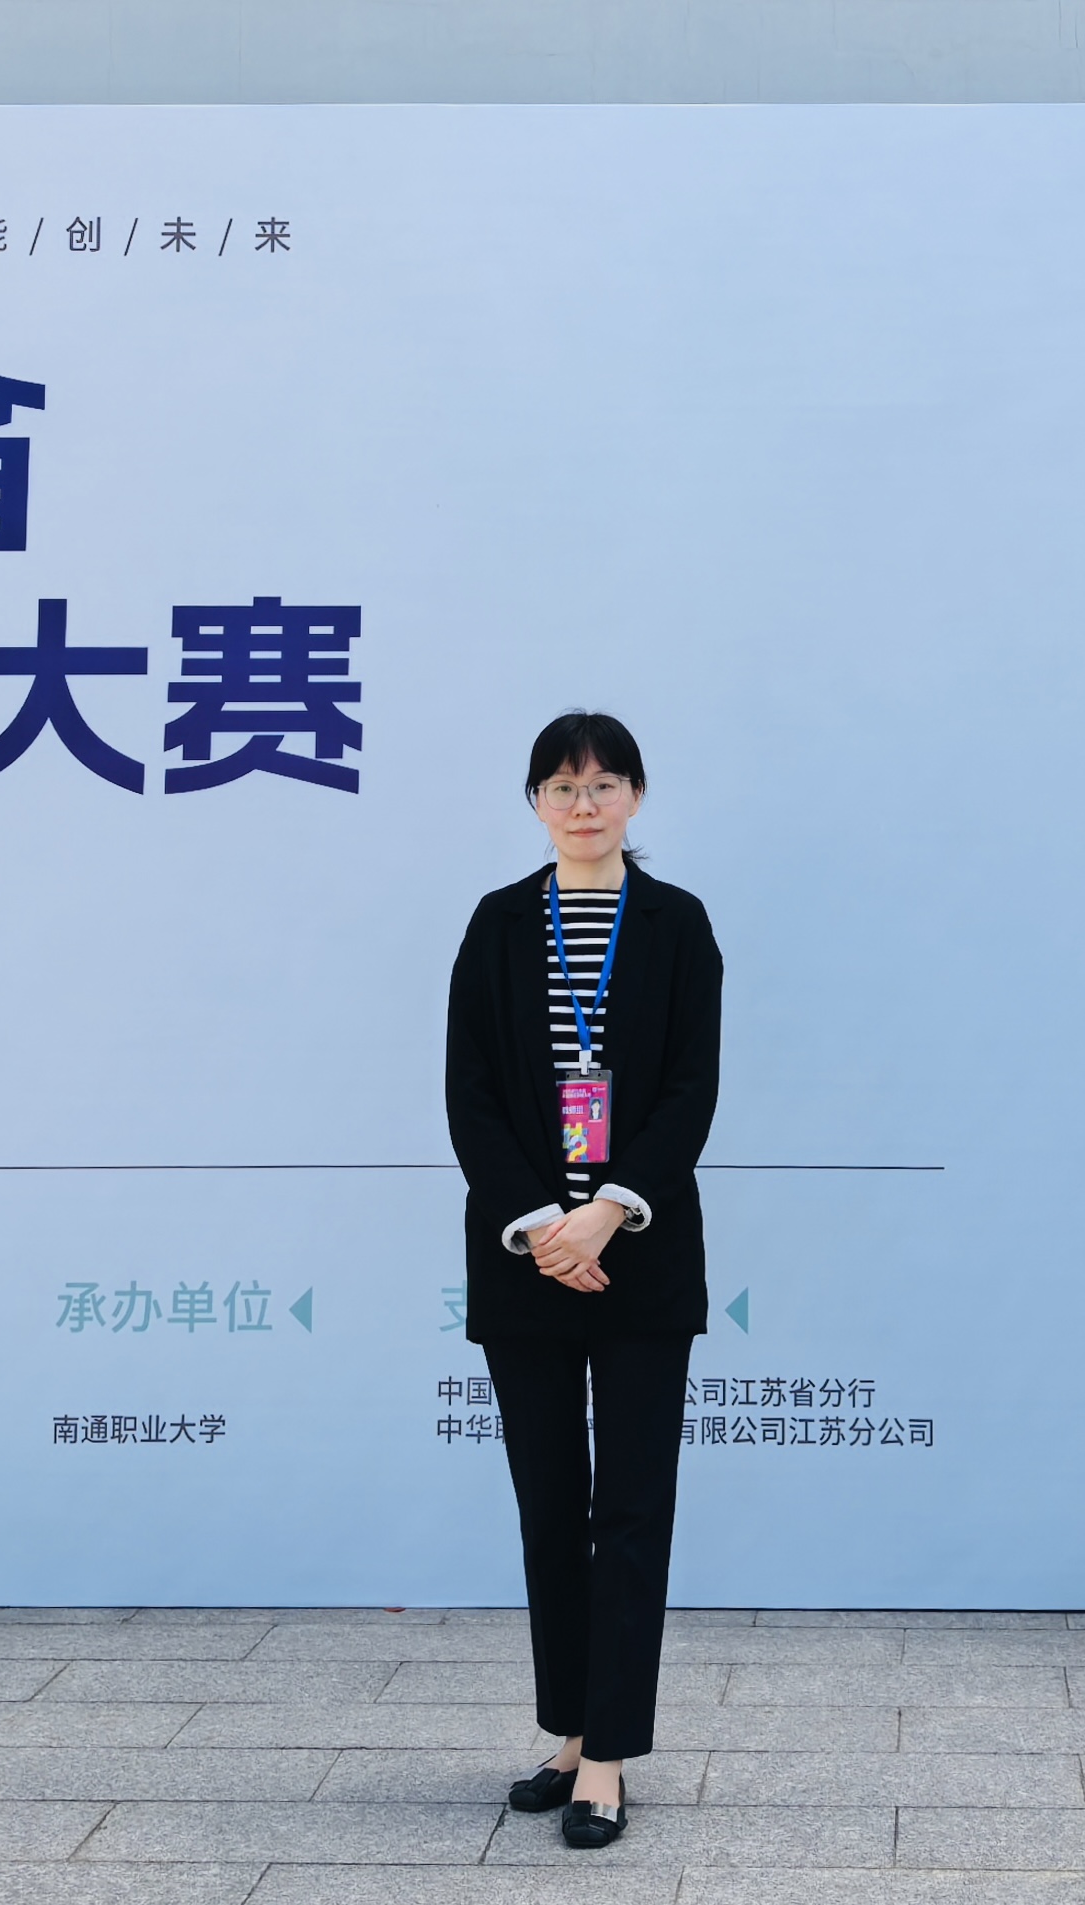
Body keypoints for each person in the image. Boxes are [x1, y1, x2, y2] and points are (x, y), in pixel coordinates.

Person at [444, 709, 724, 1851]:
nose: (583, 802)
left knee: (631, 1511)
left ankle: (607, 1756)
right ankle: (568, 1730)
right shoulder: (501, 922)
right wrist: (542, 1224)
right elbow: (470, 1093)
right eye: (561, 785)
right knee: (550, 1508)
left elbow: (690, 1090)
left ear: (636, 797)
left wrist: (608, 1210)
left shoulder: (675, 922)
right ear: (535, 802)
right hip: (526, 1262)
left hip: (639, 1256)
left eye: (604, 783)